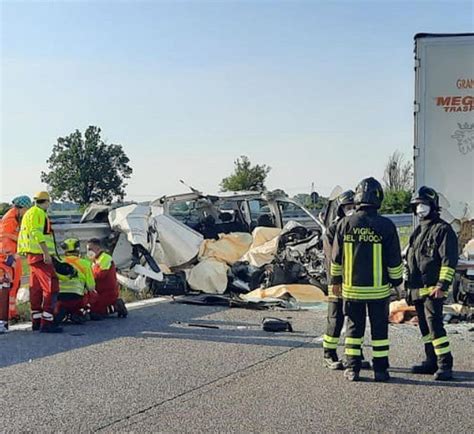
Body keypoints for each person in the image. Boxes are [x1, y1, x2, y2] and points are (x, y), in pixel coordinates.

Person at [331, 177, 403, 382]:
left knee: (354, 329)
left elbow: (336, 258)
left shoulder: (345, 224)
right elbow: (394, 260)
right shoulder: (386, 226)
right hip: (379, 292)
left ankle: (352, 369)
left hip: (352, 291)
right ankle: (380, 371)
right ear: (378, 197)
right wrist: (398, 285)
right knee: (380, 331)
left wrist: (335, 282)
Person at [406, 186, 458, 381]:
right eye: (418, 204)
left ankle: (445, 364)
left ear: (433, 206)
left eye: (424, 204)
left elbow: (448, 260)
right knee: (425, 330)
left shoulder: (443, 230)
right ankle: (431, 360)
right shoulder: (418, 230)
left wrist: (442, 285)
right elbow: (411, 257)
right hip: (418, 290)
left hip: (433, 290)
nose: (420, 208)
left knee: (435, 328)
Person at [18, 191, 63, 333]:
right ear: (47, 202)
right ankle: (47, 322)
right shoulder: (39, 213)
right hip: (40, 256)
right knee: (52, 286)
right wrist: (45, 252)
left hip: (31, 256)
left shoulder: (29, 213)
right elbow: (36, 232)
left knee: (35, 289)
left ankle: (36, 321)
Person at [322, 190, 355, 369]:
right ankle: (329, 353)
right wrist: (335, 282)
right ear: (341, 210)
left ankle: (353, 356)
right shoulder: (333, 230)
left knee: (354, 319)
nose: (351, 210)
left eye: (354, 207)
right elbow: (331, 259)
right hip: (336, 282)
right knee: (335, 319)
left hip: (354, 282)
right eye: (348, 207)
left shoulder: (356, 227)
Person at [0, 195, 32, 322]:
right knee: (7, 285)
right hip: (7, 257)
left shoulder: (15, 217)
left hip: (12, 256)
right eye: (26, 209)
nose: (26, 213)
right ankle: (6, 315)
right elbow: (5, 236)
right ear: (21, 207)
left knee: (14, 284)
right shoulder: (10, 218)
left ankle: (10, 314)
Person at [55, 238, 95, 324]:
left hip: (59, 298)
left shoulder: (60, 264)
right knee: (92, 293)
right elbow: (91, 287)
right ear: (78, 250)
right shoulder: (85, 264)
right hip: (77, 299)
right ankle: (79, 312)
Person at [86, 238, 127, 319]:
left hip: (108, 292)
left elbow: (100, 275)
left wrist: (87, 278)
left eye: (90, 249)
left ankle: (117, 306)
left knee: (95, 313)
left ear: (98, 248)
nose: (88, 252)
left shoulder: (105, 258)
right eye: (87, 249)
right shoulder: (93, 260)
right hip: (97, 292)